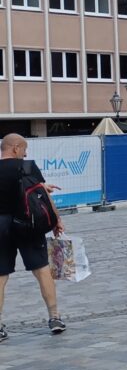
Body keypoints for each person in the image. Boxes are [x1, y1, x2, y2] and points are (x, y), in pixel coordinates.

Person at [0, 133, 66, 342]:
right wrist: (56, 220)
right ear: (16, 148)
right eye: (24, 149)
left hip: (1, 227)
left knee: (1, 277)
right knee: (42, 270)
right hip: (28, 224)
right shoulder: (27, 166)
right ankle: (54, 318)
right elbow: (42, 197)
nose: (25, 153)